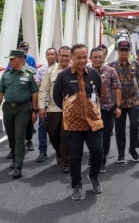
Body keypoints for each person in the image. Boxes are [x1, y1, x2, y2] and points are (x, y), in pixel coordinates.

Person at [53, 44, 104, 201]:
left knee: (98, 151)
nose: (82, 60)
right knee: (75, 156)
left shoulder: (94, 74)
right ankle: (76, 185)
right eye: (78, 57)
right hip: (73, 124)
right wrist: (70, 109)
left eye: (84, 57)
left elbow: (98, 92)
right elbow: (57, 97)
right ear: (72, 58)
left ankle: (93, 176)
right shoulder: (63, 76)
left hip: (93, 121)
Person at [0, 50, 39, 179]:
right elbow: (0, 93)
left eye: (13, 59)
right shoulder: (6, 75)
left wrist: (35, 110)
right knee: (11, 136)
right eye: (10, 59)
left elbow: (34, 92)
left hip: (23, 108)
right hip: (8, 108)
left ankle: (18, 166)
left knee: (19, 137)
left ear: (20, 59)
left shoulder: (28, 74)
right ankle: (14, 156)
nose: (10, 61)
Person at [38, 46, 72, 173]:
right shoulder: (51, 71)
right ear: (58, 56)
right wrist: (41, 106)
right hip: (53, 109)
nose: (65, 58)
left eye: (67, 56)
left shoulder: (75, 70)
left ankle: (65, 162)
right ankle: (59, 152)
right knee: (53, 135)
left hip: (69, 110)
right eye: (62, 55)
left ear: (71, 57)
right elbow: (43, 90)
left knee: (65, 136)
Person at [108, 40, 139, 163]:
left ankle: (132, 148)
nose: (123, 52)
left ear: (129, 51)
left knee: (134, 125)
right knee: (119, 129)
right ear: (118, 51)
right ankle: (121, 153)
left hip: (133, 100)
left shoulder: (135, 65)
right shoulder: (111, 66)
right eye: (121, 50)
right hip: (119, 102)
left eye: (126, 50)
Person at [90, 46, 122, 173]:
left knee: (106, 135)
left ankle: (102, 160)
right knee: (92, 135)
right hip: (90, 109)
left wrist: (118, 107)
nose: (98, 59)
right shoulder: (85, 71)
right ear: (90, 58)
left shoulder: (110, 71)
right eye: (96, 57)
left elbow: (117, 88)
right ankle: (95, 156)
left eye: (101, 57)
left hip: (107, 108)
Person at [34, 47, 57, 163]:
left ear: (56, 56)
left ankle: (59, 152)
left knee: (57, 130)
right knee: (42, 128)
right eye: (48, 54)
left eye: (53, 54)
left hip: (57, 105)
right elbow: (37, 88)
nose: (50, 56)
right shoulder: (41, 70)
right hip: (45, 104)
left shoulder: (61, 69)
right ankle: (42, 152)